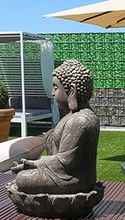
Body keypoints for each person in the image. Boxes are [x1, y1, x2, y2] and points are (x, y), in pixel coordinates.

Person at [9, 59, 99, 195]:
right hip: (73, 176)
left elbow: (65, 162)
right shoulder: (78, 116)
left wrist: (33, 163)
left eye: (56, 88)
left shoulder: (79, 121)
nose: (52, 93)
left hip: (74, 179)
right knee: (25, 176)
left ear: (72, 90)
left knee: (22, 179)